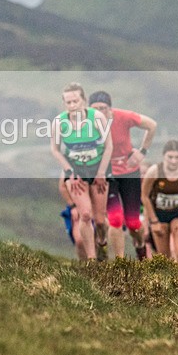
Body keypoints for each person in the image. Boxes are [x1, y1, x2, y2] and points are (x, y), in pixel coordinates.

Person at [88, 91, 157, 260]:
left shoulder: (123, 117)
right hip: (107, 174)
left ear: (110, 108)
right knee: (115, 219)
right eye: (95, 110)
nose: (99, 113)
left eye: (103, 108)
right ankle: (120, 262)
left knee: (133, 222)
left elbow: (152, 125)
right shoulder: (87, 124)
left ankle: (140, 248)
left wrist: (141, 152)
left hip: (129, 172)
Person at [50, 82, 113, 261]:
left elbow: (109, 146)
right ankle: (92, 259)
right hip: (76, 172)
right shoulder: (60, 122)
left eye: (75, 101)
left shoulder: (97, 118)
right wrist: (70, 171)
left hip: (98, 170)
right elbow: (55, 149)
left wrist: (101, 173)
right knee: (85, 214)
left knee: (100, 220)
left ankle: (102, 242)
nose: (72, 106)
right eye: (68, 103)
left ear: (83, 101)